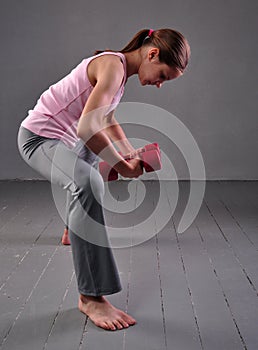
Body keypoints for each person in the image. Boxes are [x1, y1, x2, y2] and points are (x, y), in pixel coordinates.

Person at [17, 28, 190, 331]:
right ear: (152, 54)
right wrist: (122, 166)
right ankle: (91, 297)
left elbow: (107, 119)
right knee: (89, 183)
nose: (159, 84)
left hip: (66, 140)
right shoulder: (112, 65)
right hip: (38, 139)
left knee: (94, 157)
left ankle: (74, 227)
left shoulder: (119, 73)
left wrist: (128, 151)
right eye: (162, 75)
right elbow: (87, 128)